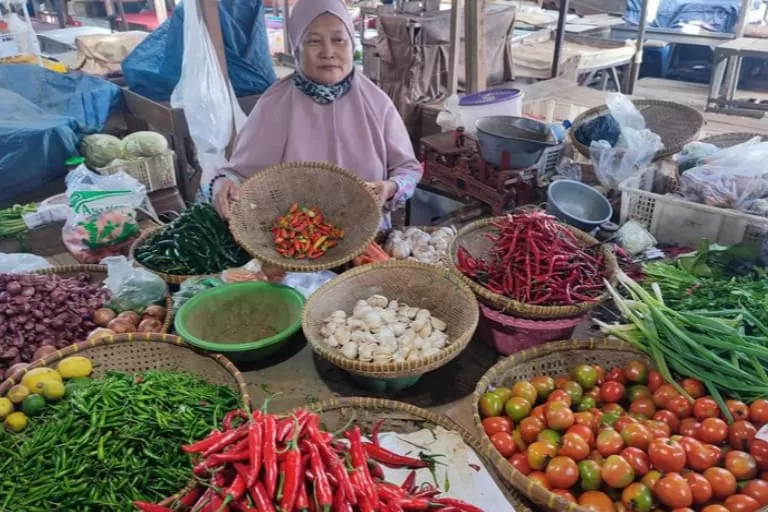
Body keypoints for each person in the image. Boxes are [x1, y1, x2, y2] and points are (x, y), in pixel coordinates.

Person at [208, 0, 423, 229]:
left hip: (368, 244)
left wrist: (391, 187)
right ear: (295, 48)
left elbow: (409, 170)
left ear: (352, 44)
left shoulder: (378, 104)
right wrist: (225, 185)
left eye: (339, 40)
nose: (328, 52)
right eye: (313, 41)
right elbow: (236, 174)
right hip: (293, 245)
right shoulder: (274, 105)